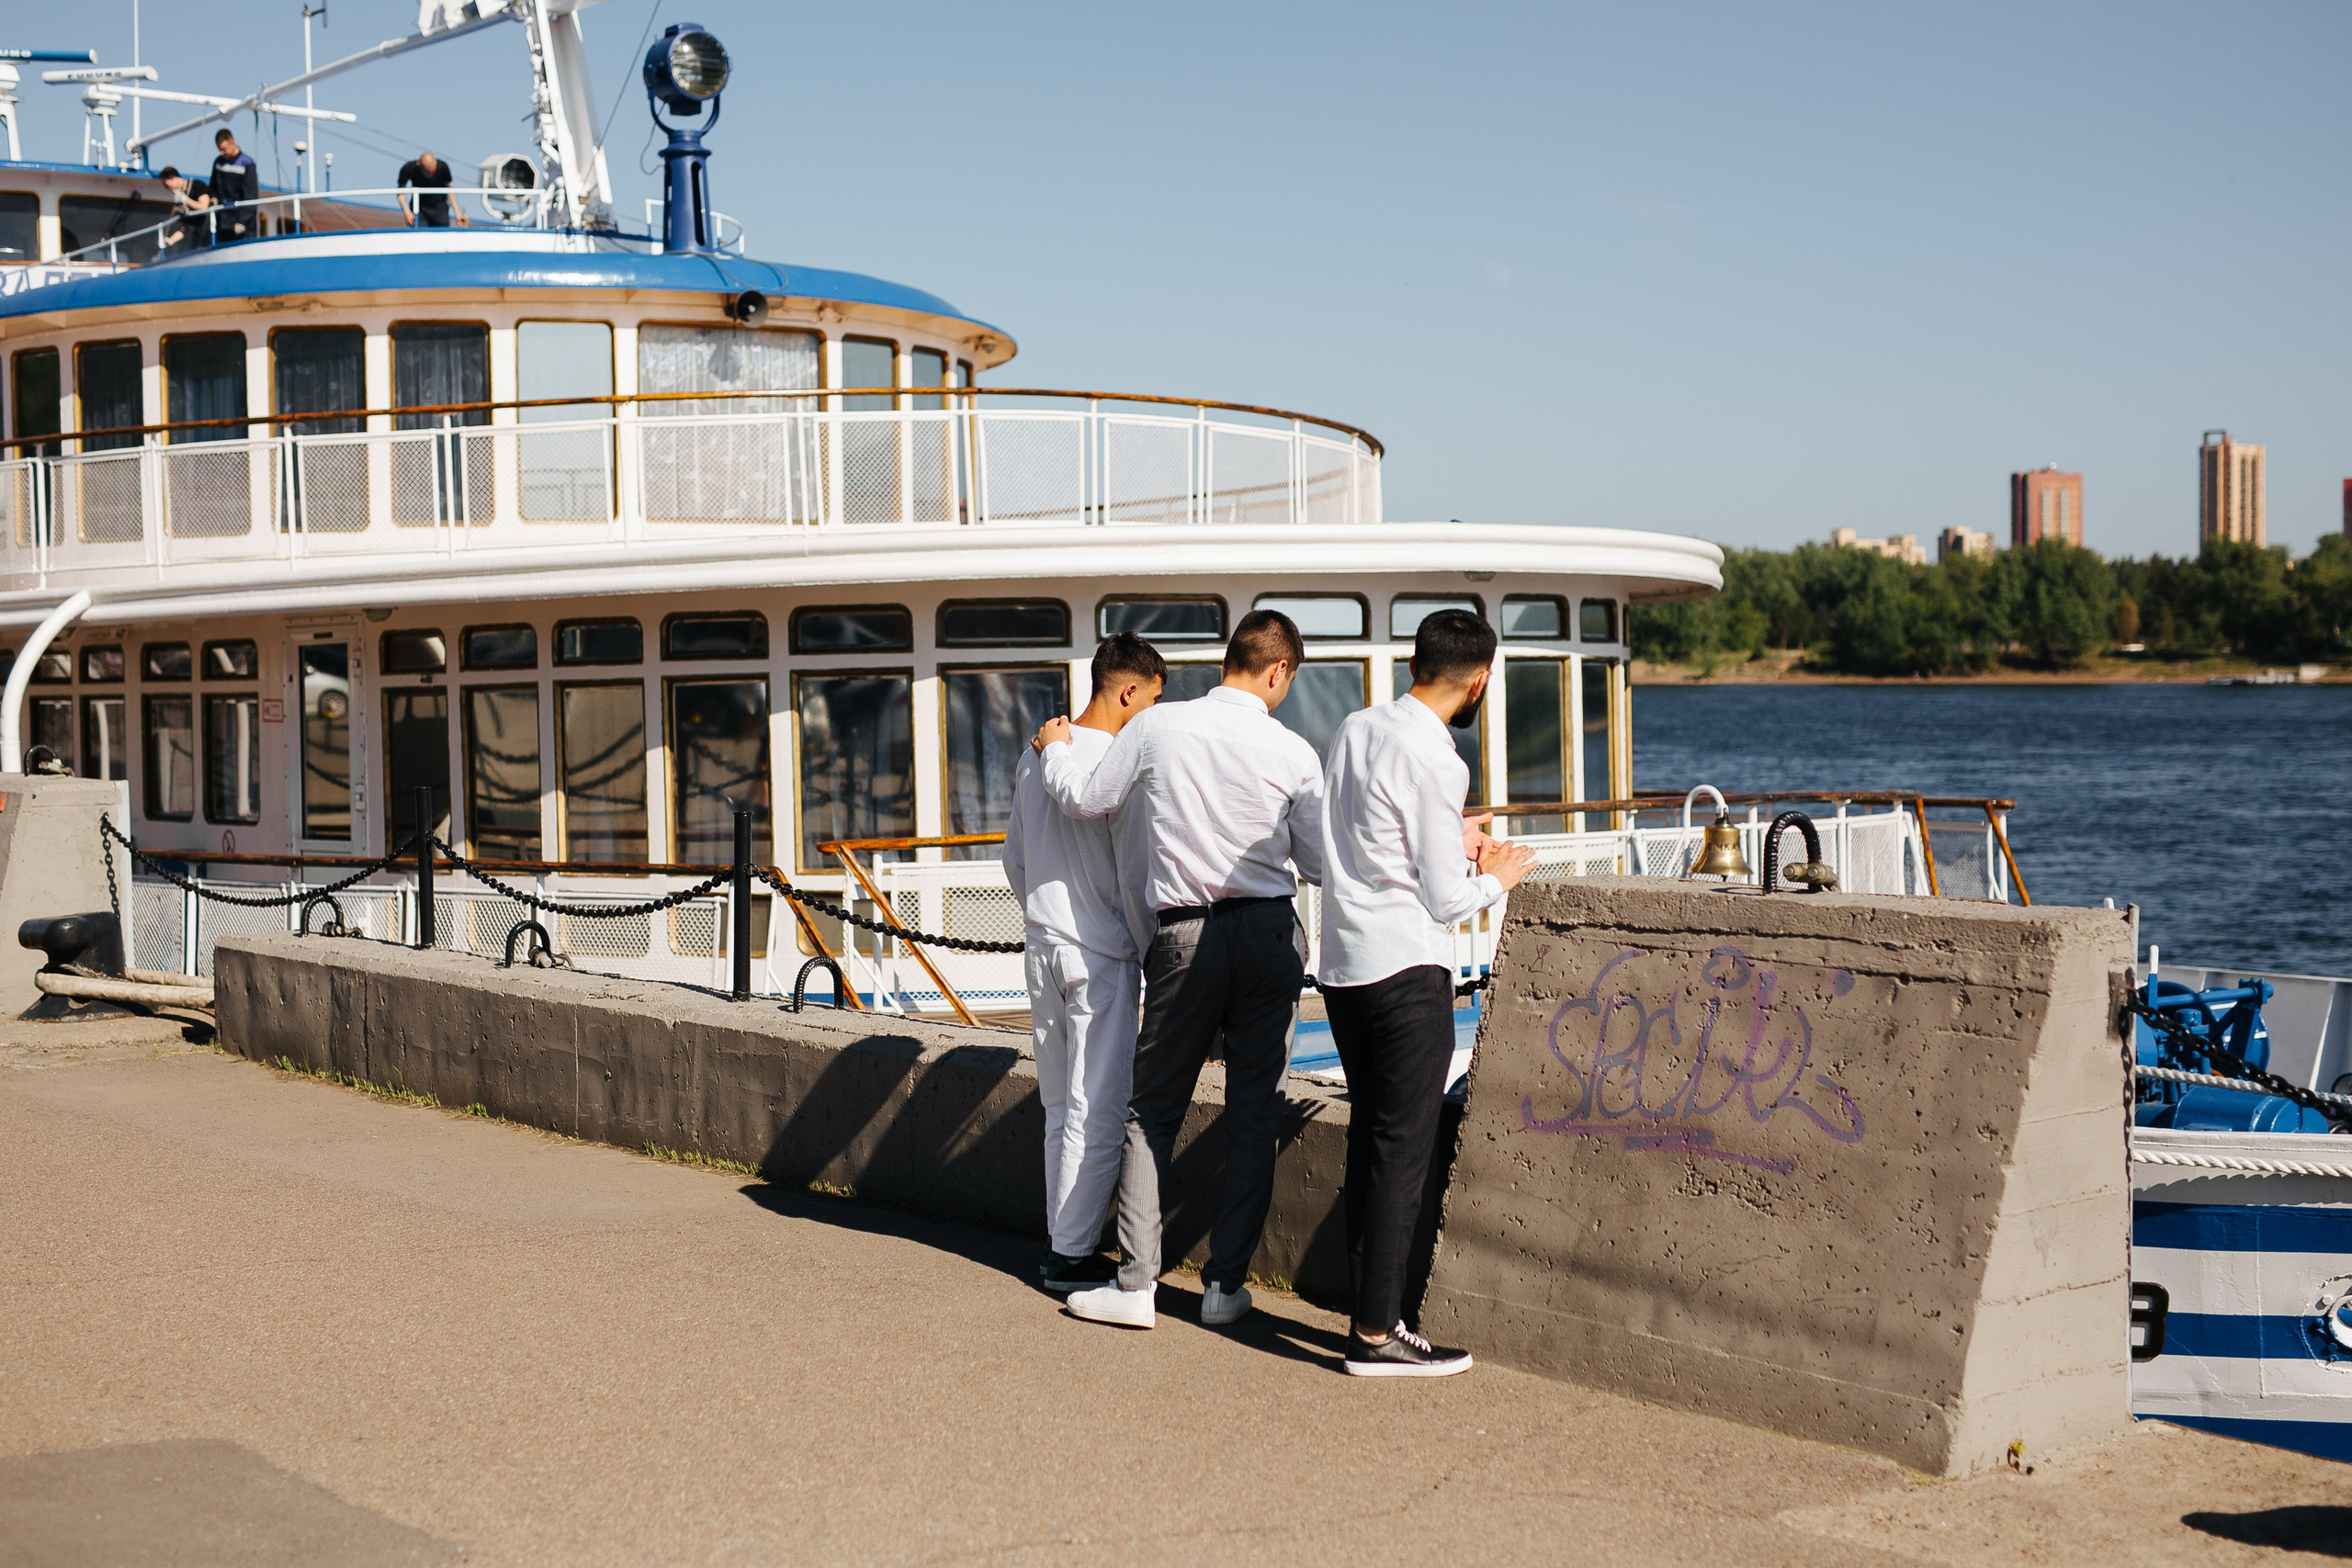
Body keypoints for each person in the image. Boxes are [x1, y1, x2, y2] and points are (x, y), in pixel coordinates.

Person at [1034, 608, 1325, 1331]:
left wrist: (1056, 746)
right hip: (1267, 934)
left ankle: (1137, 1287)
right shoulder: (1293, 751)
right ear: (1280, 670)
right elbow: (1318, 864)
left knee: (1152, 1111)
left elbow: (1084, 799)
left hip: (1184, 934)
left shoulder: (1157, 727)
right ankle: (1225, 1288)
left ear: (1231, 658)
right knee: (1254, 1115)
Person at [1317, 608, 1535, 1376]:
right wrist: (1496, 873)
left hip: (1344, 968)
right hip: (1406, 970)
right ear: (1480, 680)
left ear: (1416, 662)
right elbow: (1447, 899)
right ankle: (1378, 1334)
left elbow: (1358, 832)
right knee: (1401, 1152)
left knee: (1370, 1144)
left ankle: (1369, 1317)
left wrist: (1456, 834)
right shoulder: (1441, 759)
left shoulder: (1357, 726)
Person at [1002, 633, 1166, 1293]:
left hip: (1040, 942)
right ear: (1126, 691)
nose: (1152, 716)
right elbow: (1136, 875)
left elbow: (1014, 859)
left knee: (1057, 1108)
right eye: (1151, 702)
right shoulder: (1120, 764)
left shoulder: (1038, 752)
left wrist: (1045, 911)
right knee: (1098, 1106)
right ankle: (1069, 1255)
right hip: (1099, 951)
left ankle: (1059, 1240)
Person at [208, 130, 259, 242]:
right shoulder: (218, 163)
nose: (222, 152)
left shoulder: (247, 163)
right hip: (223, 221)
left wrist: (242, 221)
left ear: (233, 143)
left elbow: (250, 195)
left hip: (242, 223)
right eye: (219, 149)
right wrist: (213, 198)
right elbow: (213, 187)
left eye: (224, 149)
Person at [398, 152, 469, 230]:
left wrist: (458, 215)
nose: (431, 175)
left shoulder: (443, 167)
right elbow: (400, 193)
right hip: (419, 208)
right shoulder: (409, 168)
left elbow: (450, 191)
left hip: (439, 207)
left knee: (442, 235)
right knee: (420, 234)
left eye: (433, 171)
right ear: (419, 164)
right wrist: (407, 212)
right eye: (428, 172)